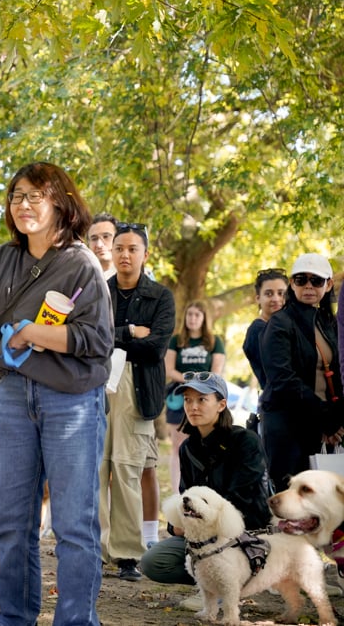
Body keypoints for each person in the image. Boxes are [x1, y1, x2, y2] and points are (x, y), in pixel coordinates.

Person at [0, 161, 112, 625]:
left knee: (72, 524)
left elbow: (97, 341)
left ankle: (76, 620)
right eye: (16, 195)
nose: (23, 205)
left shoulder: (81, 263)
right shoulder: (3, 258)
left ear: (61, 203)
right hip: (16, 397)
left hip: (71, 401)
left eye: (35, 196)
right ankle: (15, 618)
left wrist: (33, 334)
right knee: (12, 520)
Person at [140, 372, 270, 589]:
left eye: (202, 399)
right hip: (202, 534)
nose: (193, 407)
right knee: (153, 562)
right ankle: (212, 581)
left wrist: (202, 521)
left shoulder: (246, 441)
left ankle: (240, 579)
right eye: (188, 400)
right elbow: (185, 498)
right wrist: (175, 526)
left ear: (221, 404)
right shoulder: (188, 449)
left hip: (244, 532)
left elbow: (242, 498)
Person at [101, 222, 175, 581]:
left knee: (128, 470)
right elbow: (88, 337)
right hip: (97, 386)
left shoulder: (161, 296)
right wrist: (128, 332)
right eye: (119, 248)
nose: (125, 255)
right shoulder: (98, 292)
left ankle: (127, 555)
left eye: (132, 248)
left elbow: (156, 347)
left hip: (138, 388)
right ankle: (95, 550)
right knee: (96, 471)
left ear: (145, 254)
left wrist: (111, 340)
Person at [260, 253, 343, 491]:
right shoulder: (279, 323)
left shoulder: (330, 322)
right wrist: (326, 418)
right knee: (294, 504)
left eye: (316, 280)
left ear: (328, 285)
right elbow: (283, 380)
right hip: (288, 427)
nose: (308, 286)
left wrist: (336, 420)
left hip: (326, 429)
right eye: (301, 280)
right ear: (292, 285)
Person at [164, 300, 225, 493]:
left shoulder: (214, 342)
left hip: (206, 395)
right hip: (179, 395)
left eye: (197, 315)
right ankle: (177, 491)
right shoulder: (176, 340)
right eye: (189, 314)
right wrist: (189, 381)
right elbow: (169, 369)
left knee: (205, 444)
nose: (192, 319)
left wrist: (200, 385)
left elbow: (216, 370)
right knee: (178, 445)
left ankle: (203, 489)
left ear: (204, 318)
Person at [243, 268, 289, 389]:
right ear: (258, 298)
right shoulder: (258, 331)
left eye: (281, 293)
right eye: (269, 293)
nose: (276, 299)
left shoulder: (286, 327)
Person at [87, 212, 117, 279]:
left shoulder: (134, 276)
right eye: (94, 239)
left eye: (106, 237)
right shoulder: (81, 278)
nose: (99, 245)